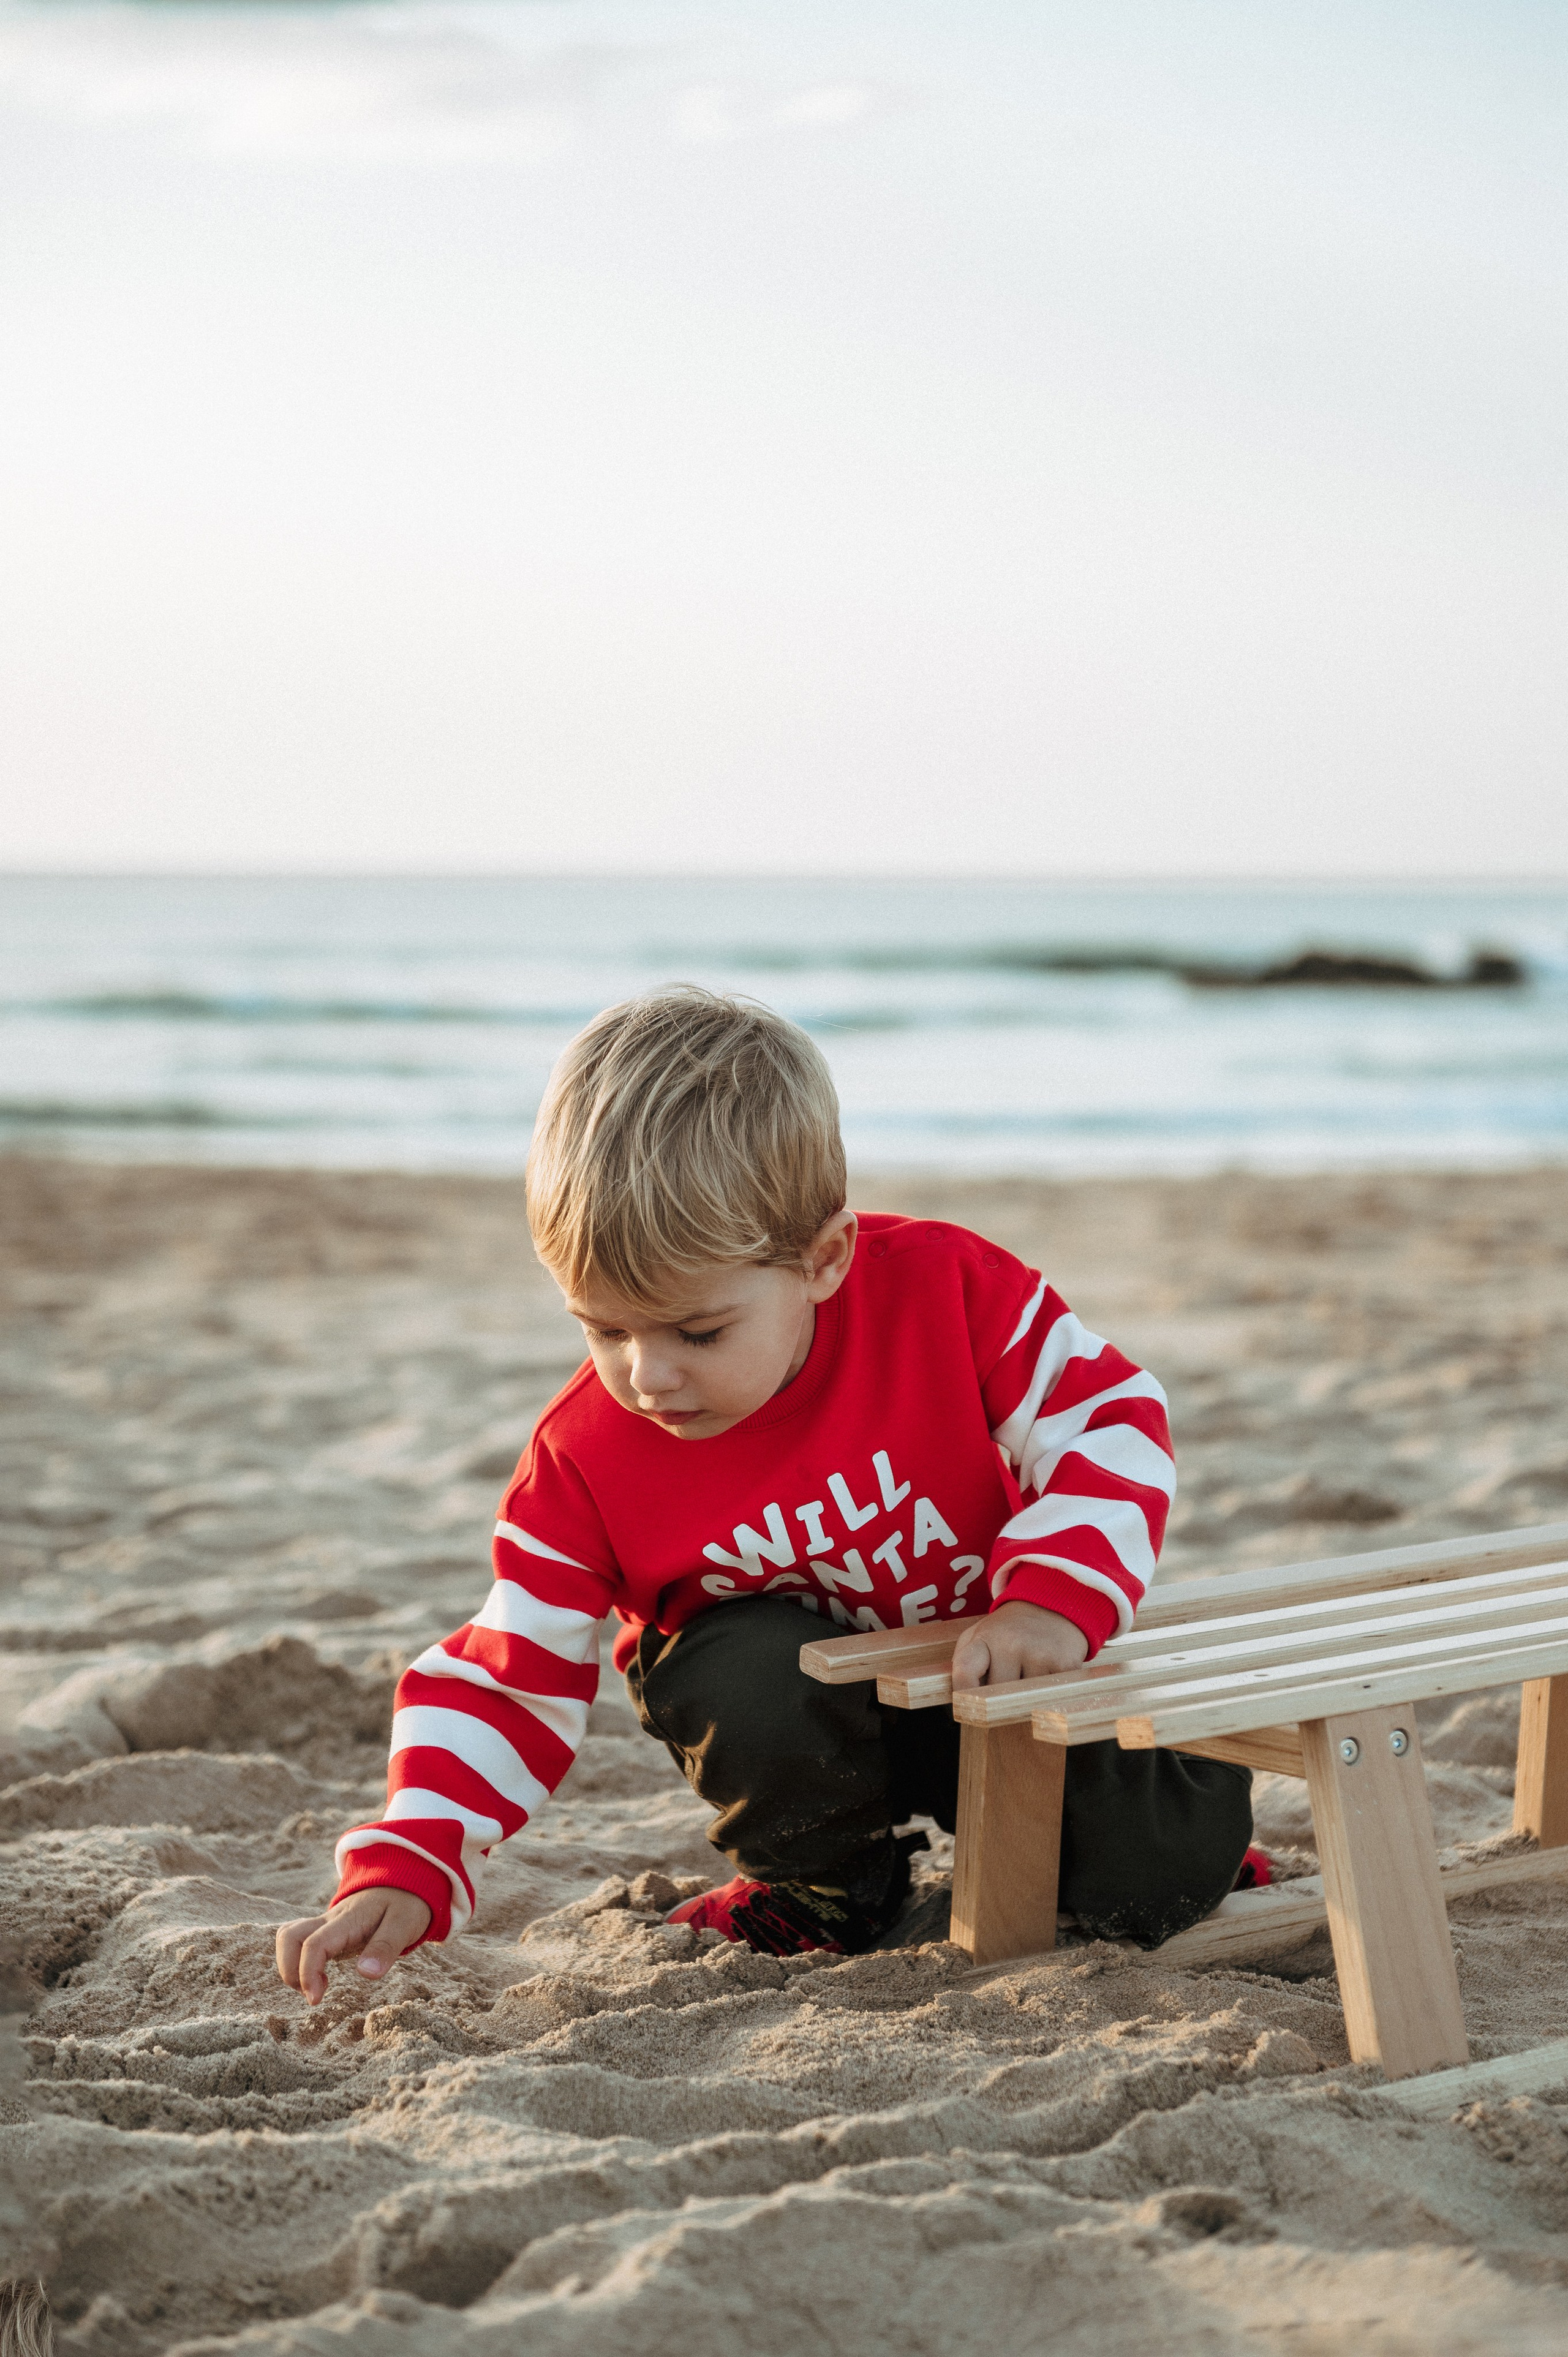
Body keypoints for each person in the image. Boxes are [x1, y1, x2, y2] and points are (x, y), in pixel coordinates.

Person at [276, 987, 1255, 2002]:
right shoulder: (585, 1457)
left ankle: (1164, 1845)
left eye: (698, 1333)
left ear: (823, 1260)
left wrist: (1050, 1598)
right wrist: (411, 1857)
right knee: (734, 1664)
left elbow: (1111, 1416)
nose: (648, 1377)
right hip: (793, 1727)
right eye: (604, 1330)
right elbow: (505, 1673)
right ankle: (827, 1891)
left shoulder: (941, 1291)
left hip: (998, 1674)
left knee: (1169, 1874)